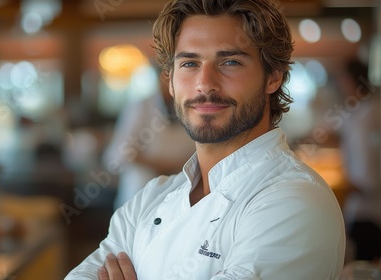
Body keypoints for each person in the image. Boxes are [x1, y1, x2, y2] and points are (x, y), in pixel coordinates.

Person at [65, 0, 346, 279]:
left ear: (273, 77)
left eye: (230, 62)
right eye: (189, 63)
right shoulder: (149, 199)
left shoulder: (294, 201)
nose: (205, 83)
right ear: (171, 81)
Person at [102, 68, 196, 210]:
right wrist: (160, 167)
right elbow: (119, 154)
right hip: (140, 192)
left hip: (182, 193)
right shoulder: (141, 107)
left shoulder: (195, 108)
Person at [337, 59, 381, 262]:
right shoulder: (363, 110)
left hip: (368, 212)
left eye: (344, 80)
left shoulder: (367, 117)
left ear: (351, 81)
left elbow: (366, 179)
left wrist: (341, 189)